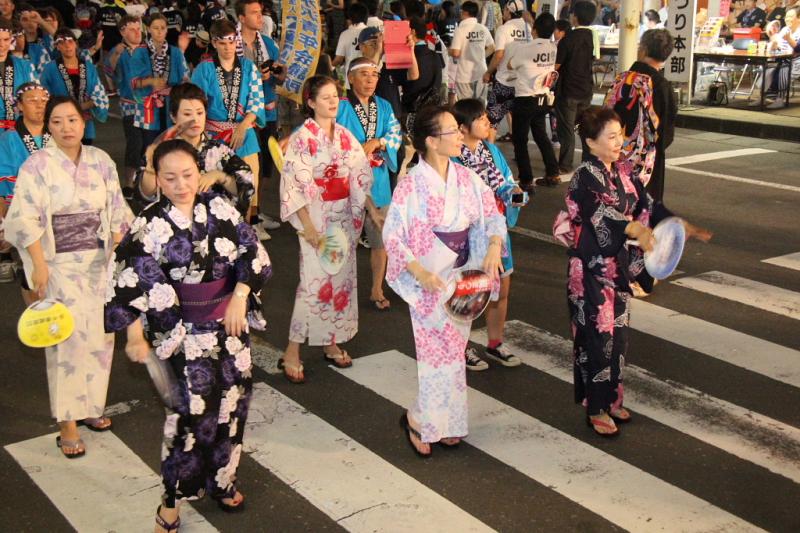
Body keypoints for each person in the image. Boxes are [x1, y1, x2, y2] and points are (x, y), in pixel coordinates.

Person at [105, 138, 272, 531]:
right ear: (157, 180)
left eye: (188, 175)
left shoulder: (220, 208)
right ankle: (170, 499)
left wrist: (241, 295)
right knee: (188, 419)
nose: (180, 184)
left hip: (230, 328)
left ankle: (222, 479)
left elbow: (255, 256)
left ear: (199, 173)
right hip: (180, 335)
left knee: (232, 407)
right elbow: (126, 283)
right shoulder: (149, 224)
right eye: (170, 177)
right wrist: (133, 335)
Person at [554, 107, 710, 437]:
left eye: (621, 135)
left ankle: (611, 398)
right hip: (590, 272)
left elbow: (647, 205)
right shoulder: (585, 176)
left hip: (618, 269)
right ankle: (596, 408)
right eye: (610, 137)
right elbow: (602, 215)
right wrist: (633, 229)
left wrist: (676, 223)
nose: (619, 142)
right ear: (590, 142)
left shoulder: (623, 171)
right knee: (598, 339)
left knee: (618, 339)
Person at [5, 95, 133, 457]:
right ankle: (67, 421)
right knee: (66, 340)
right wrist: (39, 264)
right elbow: (24, 218)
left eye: (72, 120)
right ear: (48, 126)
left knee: (100, 336)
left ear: (83, 121)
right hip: (58, 263)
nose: (66, 128)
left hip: (98, 260)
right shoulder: (37, 165)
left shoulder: (100, 160)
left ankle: (91, 407)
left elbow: (117, 211)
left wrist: (119, 250)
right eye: (57, 121)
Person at [383, 105, 507, 456]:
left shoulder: (467, 179)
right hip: (429, 279)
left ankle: (446, 421)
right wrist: (419, 271)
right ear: (431, 141)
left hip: (463, 278)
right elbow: (393, 236)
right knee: (434, 355)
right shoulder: (411, 186)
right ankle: (421, 420)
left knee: (453, 353)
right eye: (452, 131)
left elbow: (493, 215)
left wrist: (495, 246)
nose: (459, 136)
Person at [278, 75, 372, 384]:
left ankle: (330, 340)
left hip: (343, 218)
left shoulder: (345, 135)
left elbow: (359, 175)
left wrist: (371, 210)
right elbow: (294, 183)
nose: (333, 102)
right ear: (310, 102)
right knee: (312, 285)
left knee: (341, 283)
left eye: (335, 97)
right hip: (316, 221)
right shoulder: (303, 139)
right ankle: (292, 351)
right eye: (326, 97)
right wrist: (307, 226)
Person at [451, 98, 523, 372]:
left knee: (502, 287)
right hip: (469, 232)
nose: (487, 123)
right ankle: (462, 346)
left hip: (495, 228)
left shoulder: (491, 150)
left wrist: (514, 193)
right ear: (463, 127)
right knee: (468, 289)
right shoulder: (453, 156)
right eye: (480, 119)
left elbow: (507, 179)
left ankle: (495, 342)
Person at [337, 57, 402, 311]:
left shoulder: (384, 106)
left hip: (379, 180)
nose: (369, 80)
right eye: (363, 74)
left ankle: (377, 287)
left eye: (374, 75)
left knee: (380, 239)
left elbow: (395, 132)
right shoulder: (340, 105)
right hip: (347, 182)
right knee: (344, 240)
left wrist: (378, 142)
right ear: (350, 78)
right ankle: (341, 289)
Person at [191, 19, 267, 235]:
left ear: (237, 41)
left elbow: (257, 101)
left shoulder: (249, 67)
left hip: (245, 130)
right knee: (217, 181)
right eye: (222, 43)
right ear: (214, 43)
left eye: (232, 42)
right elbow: (198, 104)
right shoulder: (204, 69)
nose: (228, 48)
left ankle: (250, 226)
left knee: (250, 179)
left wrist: (243, 125)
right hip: (214, 132)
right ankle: (217, 228)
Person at [137, 82, 255, 217]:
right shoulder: (161, 151)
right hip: (171, 226)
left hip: (215, 227)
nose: (195, 120)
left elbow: (246, 189)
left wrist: (220, 176)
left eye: (200, 113)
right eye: (187, 114)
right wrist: (151, 169)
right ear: (173, 117)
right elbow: (145, 194)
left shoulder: (219, 151)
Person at [608, 29, 677, 205]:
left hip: (617, 153)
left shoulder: (623, 79)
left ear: (643, 49)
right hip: (649, 164)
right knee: (645, 209)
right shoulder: (663, 86)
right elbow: (666, 134)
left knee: (617, 204)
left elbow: (607, 114)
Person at [235, 0, 284, 236]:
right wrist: (258, 78)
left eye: (261, 12)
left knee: (263, 169)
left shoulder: (267, 43)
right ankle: (243, 216)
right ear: (241, 18)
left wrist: (277, 71)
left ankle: (256, 212)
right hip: (242, 115)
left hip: (268, 112)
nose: (260, 17)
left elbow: (282, 76)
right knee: (241, 167)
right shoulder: (232, 44)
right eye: (254, 13)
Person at [0, 81, 49, 292]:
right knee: (32, 275)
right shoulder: (9, 139)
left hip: (58, 211)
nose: (39, 105)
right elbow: (3, 187)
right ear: (19, 106)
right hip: (23, 213)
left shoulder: (57, 132)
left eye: (44, 100)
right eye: (32, 100)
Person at [506, 11, 560, 189]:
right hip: (543, 99)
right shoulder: (553, 48)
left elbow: (510, 65)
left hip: (525, 99)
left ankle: (526, 179)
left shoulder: (525, 49)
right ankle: (553, 173)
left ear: (534, 30)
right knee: (541, 136)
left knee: (520, 139)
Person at [40, 28, 109, 145]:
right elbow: (44, 96)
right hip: (61, 122)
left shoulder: (88, 67)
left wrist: (81, 106)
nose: (67, 46)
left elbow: (99, 95)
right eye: (62, 42)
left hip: (84, 122)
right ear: (57, 46)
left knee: (84, 157)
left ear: (76, 44)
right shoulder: (49, 69)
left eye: (70, 41)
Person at [130, 13, 189, 147]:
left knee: (171, 146)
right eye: (155, 27)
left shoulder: (175, 52)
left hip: (171, 104)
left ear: (167, 30)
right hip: (148, 106)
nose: (159, 31)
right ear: (149, 29)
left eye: (163, 27)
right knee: (150, 147)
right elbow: (133, 82)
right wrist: (151, 81)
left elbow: (185, 78)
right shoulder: (140, 52)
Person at [554, 1, 597, 176]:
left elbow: (556, 66)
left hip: (569, 90)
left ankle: (565, 164)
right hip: (585, 90)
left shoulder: (568, 40)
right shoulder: (590, 37)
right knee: (585, 127)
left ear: (575, 16)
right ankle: (588, 161)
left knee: (567, 129)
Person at [483, 0, 531, 142]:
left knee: (491, 121)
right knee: (519, 122)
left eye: (504, 10)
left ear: (509, 12)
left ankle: (489, 154)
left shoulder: (504, 29)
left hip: (504, 81)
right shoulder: (528, 28)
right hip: (522, 83)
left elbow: (499, 55)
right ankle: (520, 154)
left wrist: (488, 72)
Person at [107, 15, 144, 192]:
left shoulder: (149, 49)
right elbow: (109, 71)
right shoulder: (119, 51)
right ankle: (129, 183)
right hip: (130, 106)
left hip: (152, 105)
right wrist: (116, 53)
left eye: (139, 28)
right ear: (122, 31)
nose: (137, 32)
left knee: (151, 144)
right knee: (134, 144)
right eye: (132, 29)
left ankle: (148, 182)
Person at [449, 1, 494, 101]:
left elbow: (456, 53)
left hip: (465, 74)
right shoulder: (482, 28)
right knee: (480, 106)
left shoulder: (460, 29)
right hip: (481, 72)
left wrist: (449, 51)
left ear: (465, 12)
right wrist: (482, 56)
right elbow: (492, 47)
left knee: (466, 107)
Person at [0, 19, 35, 132]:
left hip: (20, 129)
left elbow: (35, 96)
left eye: (5, 39)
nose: (1, 44)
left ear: (11, 40)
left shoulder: (25, 66)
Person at [332, 2, 369, 86]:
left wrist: (329, 66)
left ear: (350, 17)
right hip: (370, 77)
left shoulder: (345, 34)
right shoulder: (373, 33)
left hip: (351, 79)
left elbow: (338, 60)